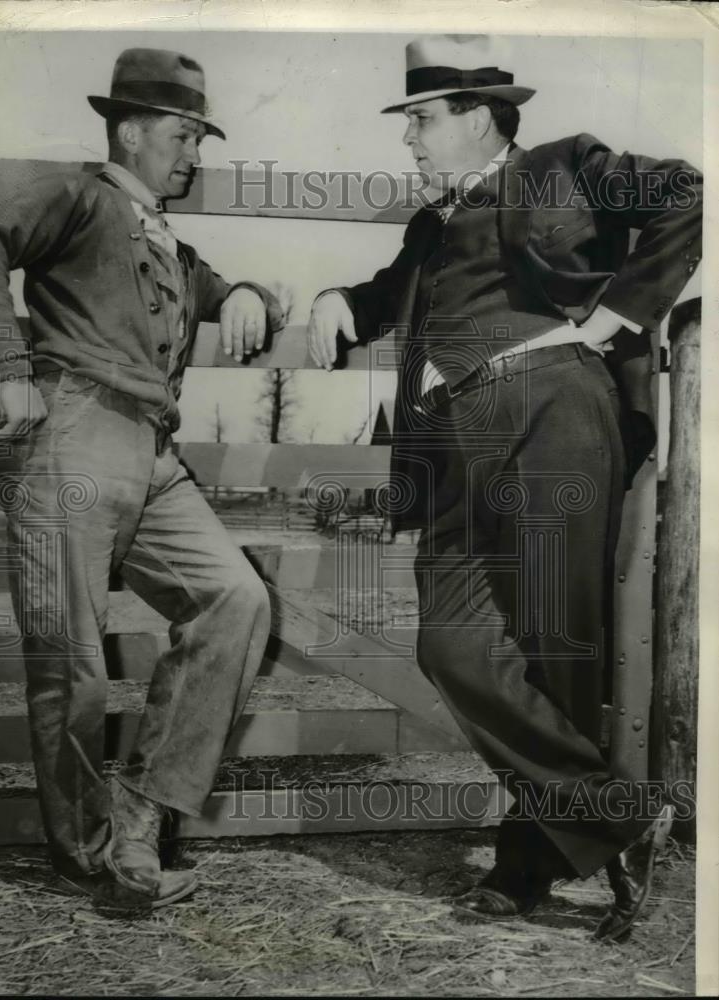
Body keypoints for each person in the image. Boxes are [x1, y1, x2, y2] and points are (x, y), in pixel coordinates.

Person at [307, 34, 701, 941]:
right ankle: (615, 815)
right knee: (451, 643)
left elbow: (686, 190)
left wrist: (617, 314)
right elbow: (391, 297)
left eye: (420, 118)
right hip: (452, 443)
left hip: (551, 412)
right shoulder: (430, 226)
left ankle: (526, 868)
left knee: (555, 646)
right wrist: (339, 300)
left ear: (477, 116)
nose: (406, 136)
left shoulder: (565, 167)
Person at [0, 48, 287, 908]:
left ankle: (140, 818)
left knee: (237, 599)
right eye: (184, 135)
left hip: (152, 454)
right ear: (131, 129)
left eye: (198, 137)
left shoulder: (165, 237)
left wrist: (252, 290)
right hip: (69, 436)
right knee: (69, 663)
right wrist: (4, 366)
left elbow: (216, 293)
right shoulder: (78, 196)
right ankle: (90, 854)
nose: (194, 154)